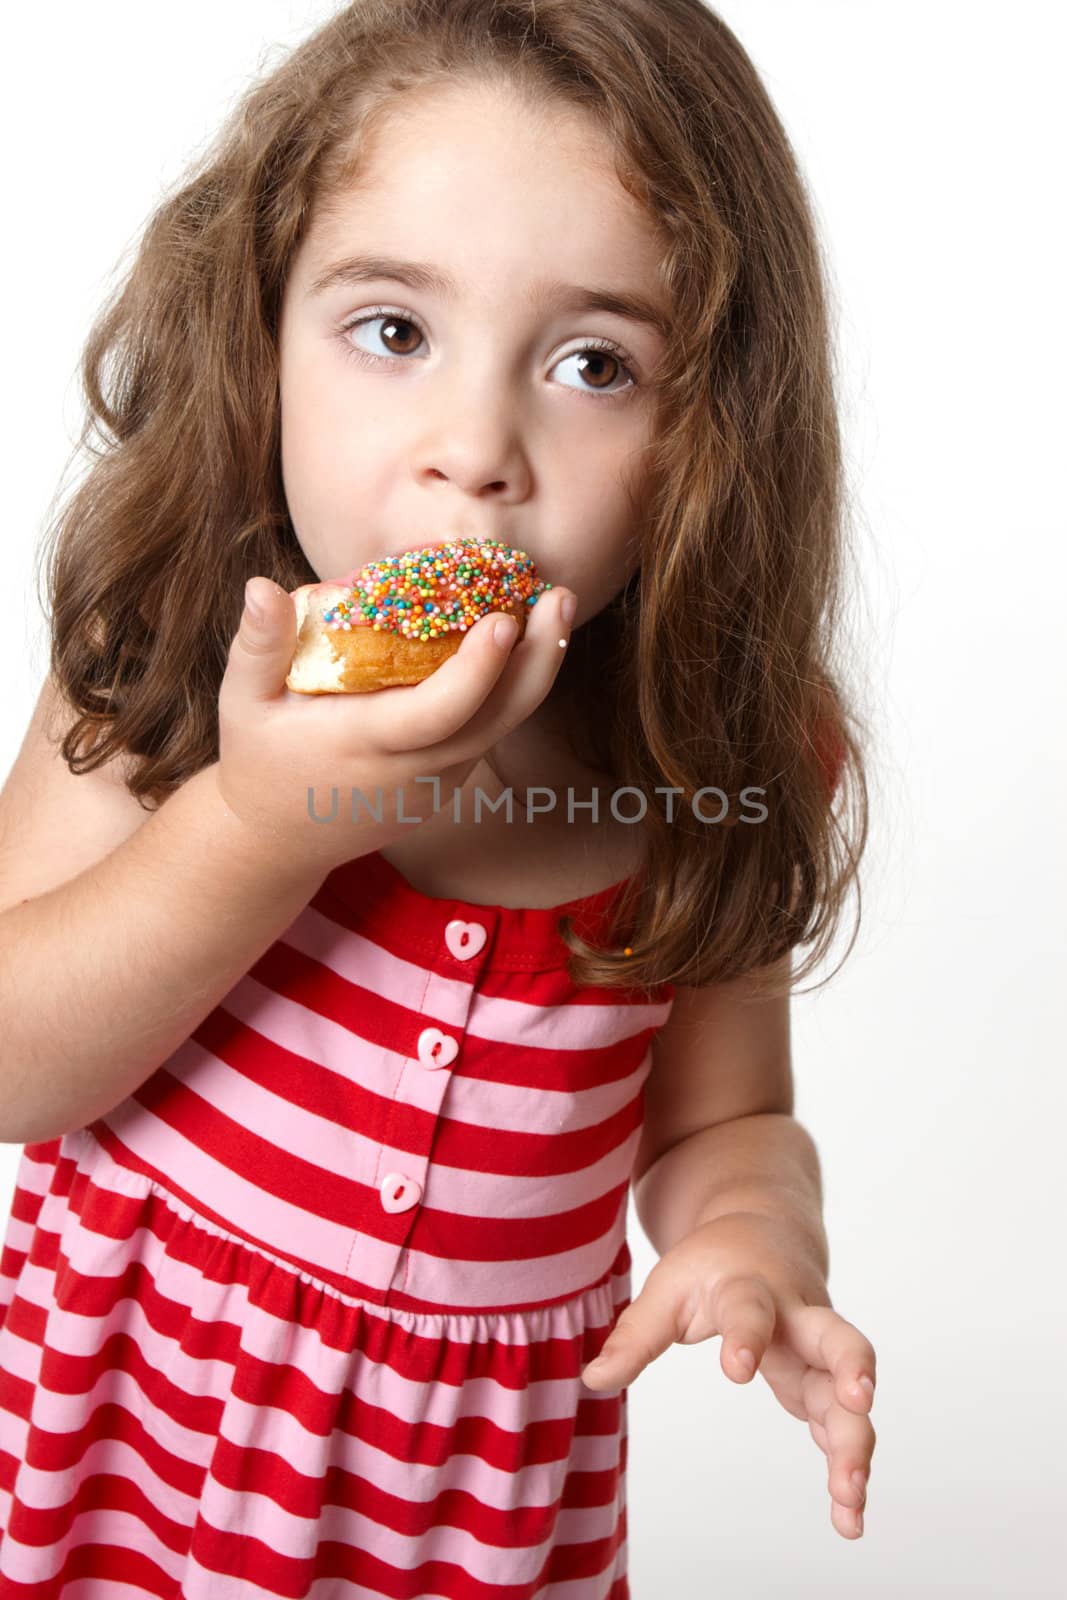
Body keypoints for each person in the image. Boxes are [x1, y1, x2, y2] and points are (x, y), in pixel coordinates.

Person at [0, 0, 876, 1592]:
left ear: (714, 439)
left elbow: (731, 1123)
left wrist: (752, 1238)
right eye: (394, 331)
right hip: (120, 1487)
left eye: (595, 363)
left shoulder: (708, 764)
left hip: (464, 1536)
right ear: (257, 327)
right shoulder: (174, 641)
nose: (476, 451)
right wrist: (261, 823)